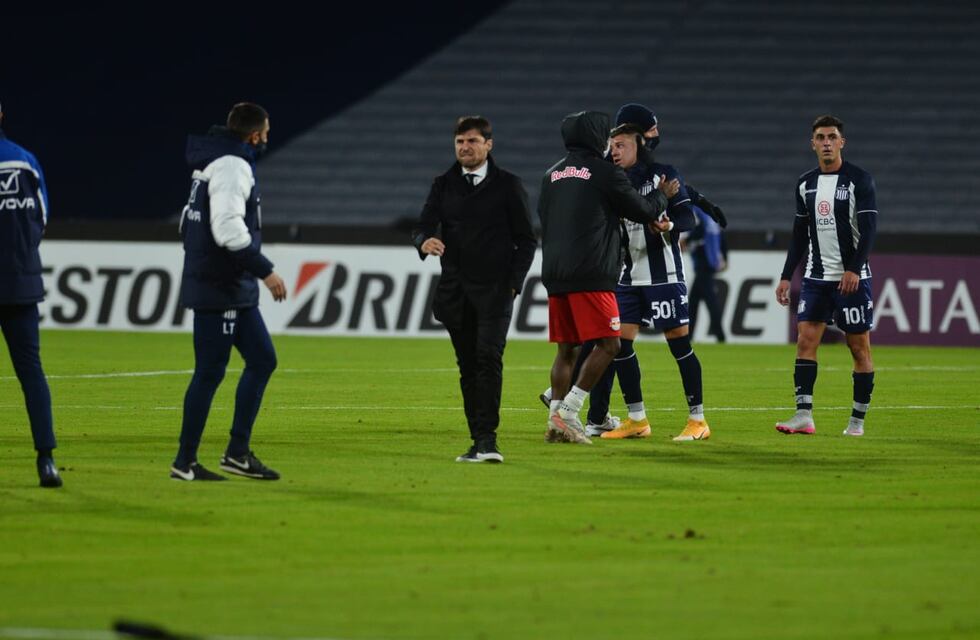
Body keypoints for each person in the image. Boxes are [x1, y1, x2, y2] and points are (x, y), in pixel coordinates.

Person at [171, 102, 287, 481]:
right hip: (221, 286)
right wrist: (266, 271)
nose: (267, 137)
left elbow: (190, 223)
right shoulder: (234, 166)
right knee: (209, 373)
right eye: (265, 131)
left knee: (262, 360)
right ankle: (184, 462)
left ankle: (237, 452)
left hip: (228, 286)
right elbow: (227, 229)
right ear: (254, 134)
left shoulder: (214, 161)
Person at [538, 111, 669, 444]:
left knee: (566, 349)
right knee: (609, 343)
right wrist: (663, 194)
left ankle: (555, 419)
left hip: (555, 272)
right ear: (596, 136)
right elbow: (642, 209)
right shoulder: (604, 172)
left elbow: (543, 216)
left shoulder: (550, 174)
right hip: (592, 272)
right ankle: (569, 411)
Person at [413, 116, 536, 463]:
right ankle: (477, 439)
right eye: (459, 143)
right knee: (467, 366)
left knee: (487, 359)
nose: (464, 148)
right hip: (456, 293)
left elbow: (526, 240)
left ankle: (488, 440)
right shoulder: (443, 184)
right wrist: (424, 241)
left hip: (496, 291)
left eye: (471, 141)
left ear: (488, 145)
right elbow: (421, 226)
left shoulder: (508, 185)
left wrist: (514, 283)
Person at [583, 123, 711, 442]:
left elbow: (688, 218)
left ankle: (698, 420)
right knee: (620, 345)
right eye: (612, 145)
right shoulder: (613, 183)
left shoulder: (663, 175)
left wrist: (668, 226)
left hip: (663, 275)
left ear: (639, 146)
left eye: (622, 145)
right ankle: (637, 419)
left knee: (678, 344)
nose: (614, 150)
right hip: (628, 277)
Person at [775, 114, 877, 437]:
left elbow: (870, 229)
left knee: (858, 347)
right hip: (816, 278)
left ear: (842, 142)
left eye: (832, 137)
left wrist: (853, 268)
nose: (827, 143)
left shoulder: (859, 180)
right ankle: (804, 416)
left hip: (851, 279)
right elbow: (798, 235)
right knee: (805, 342)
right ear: (813, 144)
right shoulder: (805, 184)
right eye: (820, 138)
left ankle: (857, 422)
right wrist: (785, 276)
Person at [0, 101, 61, 487]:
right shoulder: (24, 161)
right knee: (31, 374)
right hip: (20, 285)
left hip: (18, 282)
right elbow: (42, 217)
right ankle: (46, 461)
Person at [687, 197, 728, 343]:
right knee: (696, 302)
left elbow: (697, 231)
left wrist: (687, 240)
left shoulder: (696, 212)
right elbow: (721, 235)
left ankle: (719, 335)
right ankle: (693, 335)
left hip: (703, 264)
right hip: (709, 263)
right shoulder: (709, 217)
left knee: (706, 302)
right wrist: (724, 257)